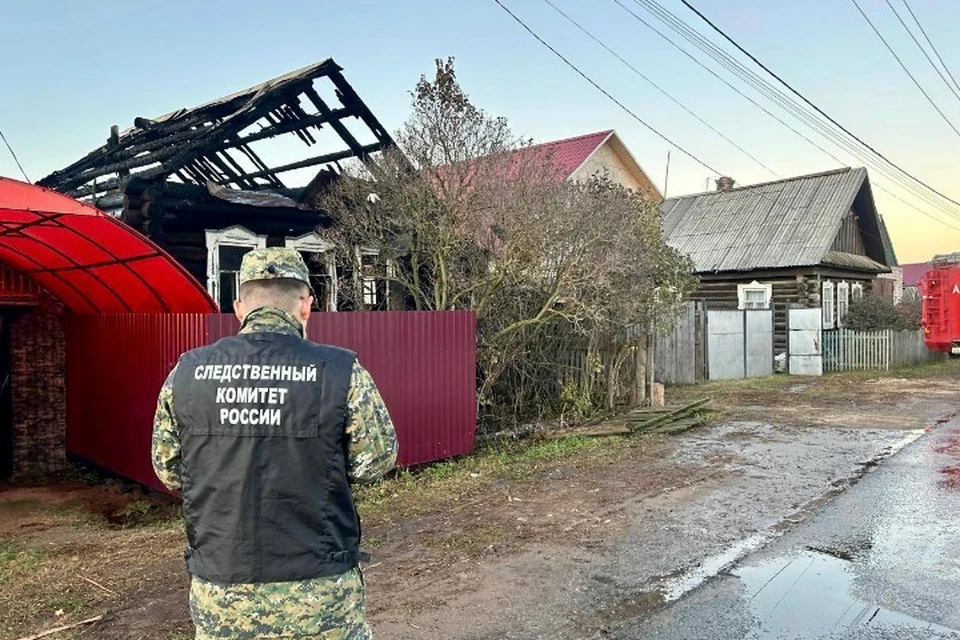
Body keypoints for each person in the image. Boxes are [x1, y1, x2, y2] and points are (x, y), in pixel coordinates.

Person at [151, 247, 398, 640]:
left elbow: (169, 471)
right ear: (305, 305)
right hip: (320, 595)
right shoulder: (340, 372)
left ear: (238, 307)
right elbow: (376, 460)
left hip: (224, 594)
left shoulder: (186, 374)